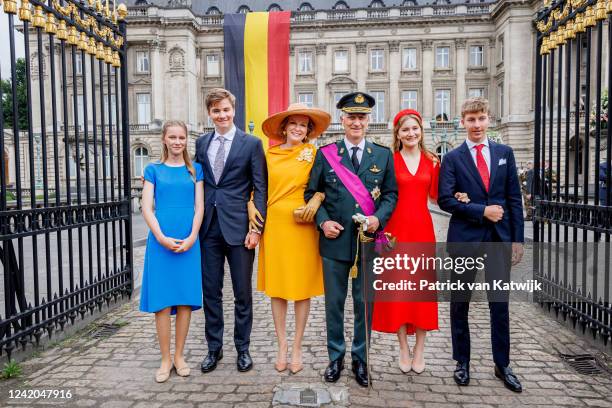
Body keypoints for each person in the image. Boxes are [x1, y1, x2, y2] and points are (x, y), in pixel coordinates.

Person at [305, 92, 398, 387]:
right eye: (351, 117)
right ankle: (336, 356)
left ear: (368, 121)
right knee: (334, 303)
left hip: (368, 243)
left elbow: (391, 194)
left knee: (364, 303)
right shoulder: (326, 154)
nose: (356, 122)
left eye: (362, 117)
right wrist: (322, 222)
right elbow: (311, 194)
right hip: (334, 243)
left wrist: (378, 219)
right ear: (342, 120)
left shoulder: (383, 155)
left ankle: (361, 358)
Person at [371, 109, 468, 374]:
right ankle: (403, 348)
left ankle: (420, 351)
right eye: (405, 130)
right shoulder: (389, 161)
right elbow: (379, 203)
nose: (411, 133)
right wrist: (379, 238)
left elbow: (438, 195)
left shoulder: (432, 161)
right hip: (393, 234)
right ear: (398, 134)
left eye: (415, 128)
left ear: (421, 131)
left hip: (423, 232)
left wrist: (459, 195)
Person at [438, 97, 524, 393]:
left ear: (489, 119)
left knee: (499, 305)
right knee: (459, 304)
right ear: (462, 121)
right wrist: (480, 210)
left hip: (499, 240)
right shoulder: (452, 158)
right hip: (465, 240)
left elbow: (514, 198)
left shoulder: (504, 153)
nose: (476, 124)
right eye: (471, 119)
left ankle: (503, 364)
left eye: (481, 118)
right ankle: (462, 362)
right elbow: (445, 199)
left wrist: (517, 239)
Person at [251, 103, 331, 374]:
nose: (298, 128)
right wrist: (251, 204)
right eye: (294, 123)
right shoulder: (269, 154)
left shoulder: (313, 153)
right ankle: (282, 344)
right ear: (284, 127)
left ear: (308, 130)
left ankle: (297, 345)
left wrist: (318, 199)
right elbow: (258, 186)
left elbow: (325, 185)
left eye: (304, 125)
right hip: (274, 224)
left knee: (301, 288)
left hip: (304, 223)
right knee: (278, 287)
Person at [195, 88, 267, 373]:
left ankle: (243, 349)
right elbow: (195, 182)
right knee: (210, 292)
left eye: (225, 109)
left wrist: (257, 229)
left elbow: (260, 188)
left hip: (240, 230)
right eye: (216, 111)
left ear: (233, 110)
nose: (222, 115)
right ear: (209, 113)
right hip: (208, 229)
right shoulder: (201, 143)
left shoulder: (251, 144)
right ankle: (214, 348)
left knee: (242, 293)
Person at [140, 120, 205, 383]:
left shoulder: (195, 170)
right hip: (161, 241)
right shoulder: (153, 169)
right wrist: (161, 237)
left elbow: (199, 206)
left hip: (189, 240)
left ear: (186, 140)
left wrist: (192, 237)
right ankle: (165, 358)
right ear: (164, 139)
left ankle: (180, 355)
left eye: (181, 137)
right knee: (163, 302)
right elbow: (146, 207)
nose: (177, 142)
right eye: (172, 137)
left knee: (185, 299)